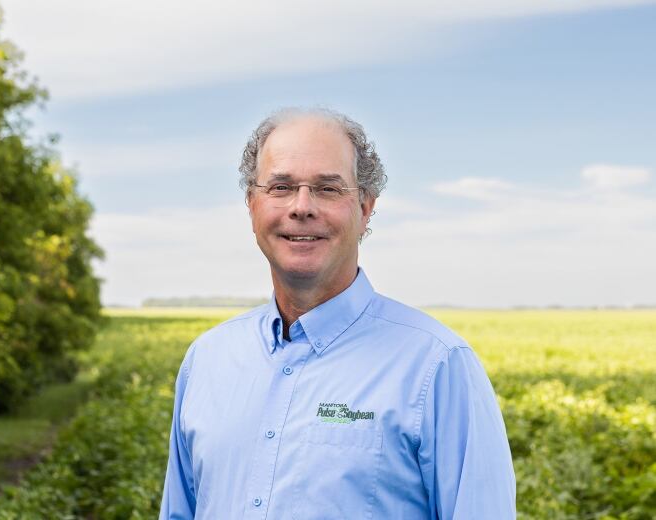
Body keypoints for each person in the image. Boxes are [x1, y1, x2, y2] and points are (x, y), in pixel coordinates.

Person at [159, 108, 516, 519]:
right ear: (252, 204)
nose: (302, 207)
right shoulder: (207, 360)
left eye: (328, 189)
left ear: (365, 208)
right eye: (281, 186)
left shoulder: (436, 366)